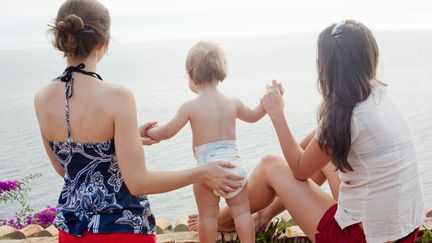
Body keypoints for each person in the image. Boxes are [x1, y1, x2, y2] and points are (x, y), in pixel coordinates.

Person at [188, 20, 425, 243]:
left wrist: (277, 114)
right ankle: (260, 216)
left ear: (328, 65)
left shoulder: (343, 115)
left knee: (271, 165)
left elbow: (300, 171)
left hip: (360, 237)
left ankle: (222, 217)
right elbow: (318, 147)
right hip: (403, 230)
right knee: (315, 141)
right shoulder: (377, 95)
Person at [34, 1, 243, 242]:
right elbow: (139, 183)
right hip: (122, 232)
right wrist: (203, 172)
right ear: (103, 44)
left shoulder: (41, 99)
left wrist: (127, 138)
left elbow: (70, 171)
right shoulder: (118, 97)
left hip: (72, 233)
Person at [141, 41, 264, 243]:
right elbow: (253, 116)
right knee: (242, 213)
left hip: (207, 170)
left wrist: (148, 132)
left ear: (191, 75)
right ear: (220, 71)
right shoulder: (233, 101)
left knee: (208, 217)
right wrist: (266, 103)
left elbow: (167, 133)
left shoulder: (190, 106)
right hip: (234, 169)